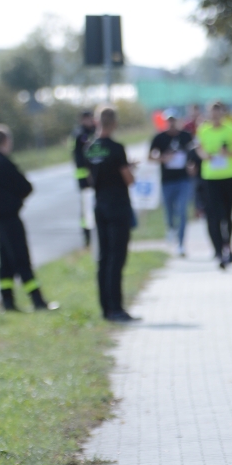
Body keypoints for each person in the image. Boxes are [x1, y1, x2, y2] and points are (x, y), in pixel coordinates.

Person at [0, 124, 56, 312]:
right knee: (21, 259)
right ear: (6, 141)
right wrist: (15, 201)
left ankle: (7, 301)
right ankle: (38, 301)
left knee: (6, 262)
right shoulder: (4, 164)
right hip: (10, 219)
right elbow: (26, 187)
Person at [85, 106, 139, 322]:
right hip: (118, 205)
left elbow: (91, 178)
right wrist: (131, 169)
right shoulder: (117, 148)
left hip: (100, 205)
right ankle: (116, 308)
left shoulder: (90, 147)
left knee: (104, 257)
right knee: (117, 257)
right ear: (114, 123)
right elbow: (128, 179)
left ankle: (105, 307)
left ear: (97, 122)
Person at [197, 101, 232, 267]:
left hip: (229, 176)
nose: (215, 115)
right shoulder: (203, 129)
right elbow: (199, 148)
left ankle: (228, 246)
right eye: (212, 112)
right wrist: (204, 155)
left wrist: (229, 152)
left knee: (227, 215)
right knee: (214, 215)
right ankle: (218, 250)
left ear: (223, 113)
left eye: (218, 112)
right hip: (210, 177)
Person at [148, 109, 196, 256]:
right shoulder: (159, 137)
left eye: (174, 120)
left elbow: (193, 153)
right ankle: (171, 228)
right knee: (169, 210)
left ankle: (181, 244)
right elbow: (150, 157)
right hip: (167, 180)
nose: (172, 123)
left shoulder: (185, 136)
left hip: (183, 180)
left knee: (182, 211)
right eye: (169, 120)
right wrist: (162, 158)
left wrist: (192, 165)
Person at [72, 108, 96, 246]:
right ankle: (87, 236)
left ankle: (94, 232)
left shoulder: (94, 131)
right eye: (88, 118)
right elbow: (79, 158)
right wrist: (87, 175)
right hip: (84, 177)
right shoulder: (79, 135)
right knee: (86, 207)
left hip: (95, 176)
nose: (90, 121)